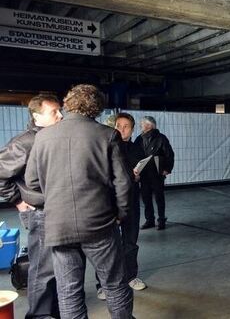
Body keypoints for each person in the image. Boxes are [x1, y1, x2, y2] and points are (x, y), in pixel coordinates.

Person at [25, 84, 134, 319]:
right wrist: (121, 213)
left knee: (69, 291)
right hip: (100, 224)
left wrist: (56, 199)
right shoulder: (107, 135)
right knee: (114, 284)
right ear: (97, 107)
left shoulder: (43, 136)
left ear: (68, 103)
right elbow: (123, 183)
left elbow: (32, 183)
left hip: (59, 227)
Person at [0, 94, 62, 319]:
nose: (60, 115)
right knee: (43, 268)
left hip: (59, 211)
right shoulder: (25, 142)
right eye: (54, 112)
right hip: (39, 212)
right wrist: (17, 200)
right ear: (37, 116)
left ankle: (55, 310)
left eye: (60, 110)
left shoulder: (53, 137)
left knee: (58, 265)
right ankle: (40, 315)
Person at [97, 113, 147, 301]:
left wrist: (138, 176)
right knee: (107, 245)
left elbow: (142, 172)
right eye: (119, 125)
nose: (123, 129)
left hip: (131, 201)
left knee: (130, 242)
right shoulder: (106, 147)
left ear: (132, 129)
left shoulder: (137, 149)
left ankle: (130, 277)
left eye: (127, 126)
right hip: (109, 202)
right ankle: (103, 284)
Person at [136, 116, 174, 230]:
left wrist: (167, 169)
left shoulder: (161, 138)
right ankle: (149, 220)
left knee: (159, 198)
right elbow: (135, 155)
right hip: (144, 174)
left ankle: (161, 220)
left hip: (157, 173)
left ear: (149, 125)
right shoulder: (139, 139)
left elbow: (169, 154)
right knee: (146, 198)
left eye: (142, 124)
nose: (141, 126)